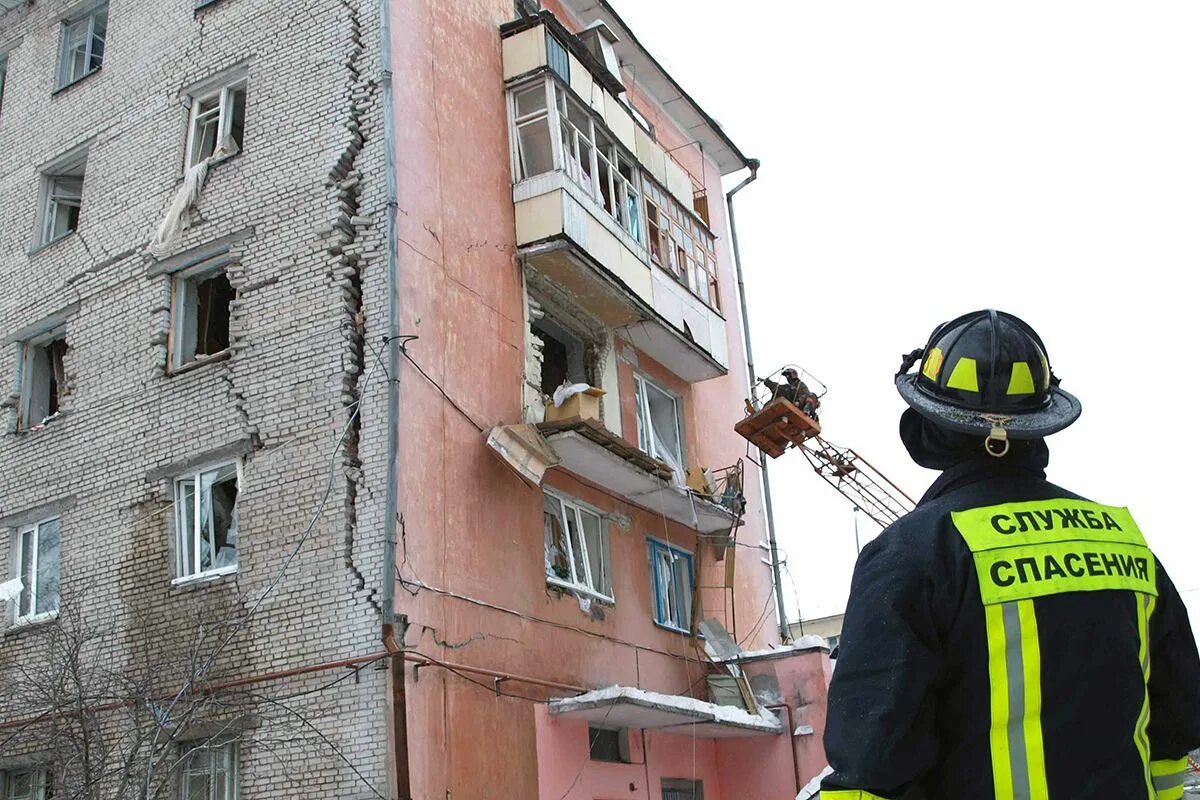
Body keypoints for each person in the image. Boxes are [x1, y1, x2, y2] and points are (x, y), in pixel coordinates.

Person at [821, 310, 1200, 800]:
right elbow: (1176, 726)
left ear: (928, 424)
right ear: (1041, 422)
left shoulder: (909, 554)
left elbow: (870, 767)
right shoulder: (1124, 542)